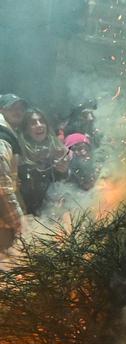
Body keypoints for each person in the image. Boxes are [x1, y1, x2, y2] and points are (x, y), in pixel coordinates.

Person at [18, 109, 69, 216]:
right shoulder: (19, 154)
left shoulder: (58, 148)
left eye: (42, 121)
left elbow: (67, 182)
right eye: (33, 123)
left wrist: (64, 170)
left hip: (57, 210)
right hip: (31, 215)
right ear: (26, 130)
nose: (39, 125)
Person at [0, 95, 27, 251]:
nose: (19, 111)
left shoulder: (9, 134)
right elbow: (2, 188)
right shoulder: (2, 138)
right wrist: (19, 224)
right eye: (12, 107)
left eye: (21, 108)